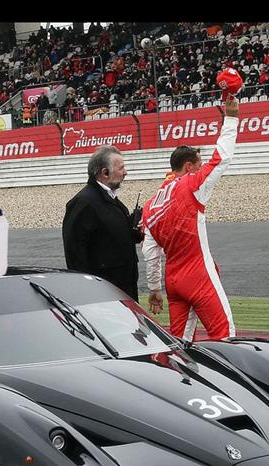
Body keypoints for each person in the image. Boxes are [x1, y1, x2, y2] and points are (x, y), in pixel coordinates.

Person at [141, 96, 240, 340]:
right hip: (197, 274)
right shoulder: (191, 184)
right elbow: (222, 158)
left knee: (180, 344)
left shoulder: (150, 205)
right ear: (188, 167)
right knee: (225, 335)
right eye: (199, 165)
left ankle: (177, 377)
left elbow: (150, 254)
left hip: (173, 282)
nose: (201, 168)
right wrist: (231, 117)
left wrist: (154, 289)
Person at [62, 145, 144, 299]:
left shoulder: (110, 199)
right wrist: (89, 293)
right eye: (121, 168)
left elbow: (111, 237)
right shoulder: (84, 203)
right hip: (104, 294)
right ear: (104, 173)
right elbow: (75, 255)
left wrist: (133, 229)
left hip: (123, 289)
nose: (125, 172)